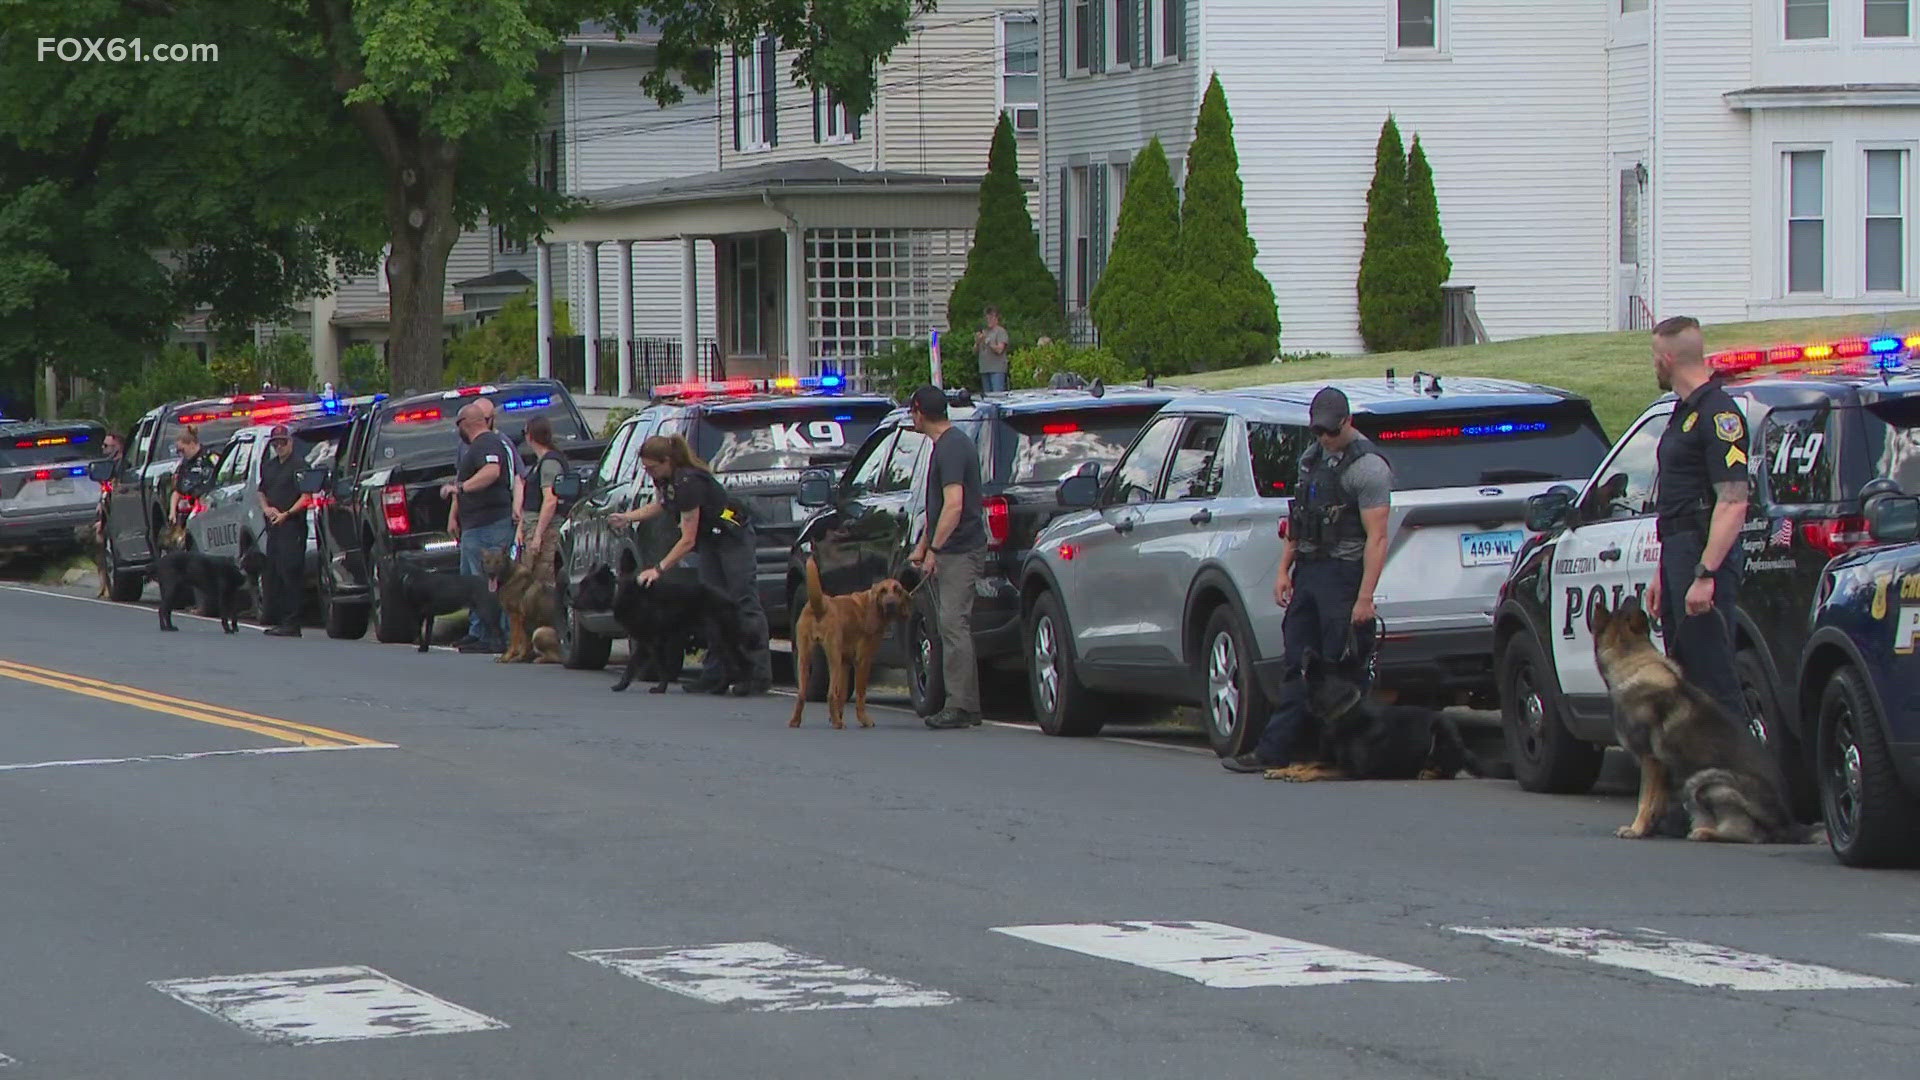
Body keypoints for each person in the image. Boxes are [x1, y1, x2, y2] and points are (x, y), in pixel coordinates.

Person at [1223, 386, 1393, 774]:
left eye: (1331, 431)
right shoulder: (1311, 458)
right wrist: (1285, 569)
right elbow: (1298, 520)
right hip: (1310, 571)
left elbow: (1377, 538)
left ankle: (1345, 754)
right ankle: (1276, 751)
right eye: (1318, 431)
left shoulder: (1368, 468)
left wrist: (1364, 598)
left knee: (1341, 671)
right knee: (1298, 664)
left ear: (1348, 422)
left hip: (1344, 576)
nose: (1325, 439)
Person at [1645, 315, 1750, 724]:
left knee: (1714, 684)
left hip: (1704, 557)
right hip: (1679, 554)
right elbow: (1675, 503)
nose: (1653, 365)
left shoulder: (1718, 414)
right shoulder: (1682, 413)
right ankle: (1699, 781)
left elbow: (1733, 502)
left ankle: (1741, 781)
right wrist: (1662, 573)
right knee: (1685, 681)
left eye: (1655, 356)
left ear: (1668, 358)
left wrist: (1705, 573)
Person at [607, 435, 770, 695]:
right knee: (713, 607)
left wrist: (658, 569)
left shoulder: (689, 482)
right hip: (710, 539)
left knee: (741, 600)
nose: (648, 472)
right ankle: (715, 673)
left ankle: (756, 673)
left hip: (732, 535)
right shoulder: (667, 479)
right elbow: (662, 505)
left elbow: (687, 539)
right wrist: (628, 517)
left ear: (667, 461)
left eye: (652, 467)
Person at [906, 385, 987, 730]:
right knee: (950, 625)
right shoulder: (945, 446)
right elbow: (937, 510)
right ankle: (966, 703)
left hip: (960, 550)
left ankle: (960, 706)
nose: (913, 418)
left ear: (920, 412)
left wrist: (936, 551)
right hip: (947, 548)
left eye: (913, 412)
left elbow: (954, 505)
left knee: (954, 625)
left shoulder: (952, 448)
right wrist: (923, 545)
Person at [441, 402, 516, 654]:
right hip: (473, 526)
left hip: (489, 525)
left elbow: (492, 472)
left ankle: (497, 635)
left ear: (466, 423)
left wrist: (461, 489)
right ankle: (478, 631)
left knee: (488, 582)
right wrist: (455, 514)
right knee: (473, 583)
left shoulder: (487, 444)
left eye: (458, 425)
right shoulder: (474, 448)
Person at [256, 424, 313, 637]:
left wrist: (286, 514)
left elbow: (306, 496)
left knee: (291, 572)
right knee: (275, 572)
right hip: (273, 526)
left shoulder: (300, 465)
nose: (279, 446)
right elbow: (261, 491)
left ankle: (293, 621)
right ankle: (280, 619)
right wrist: (266, 509)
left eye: (282, 442)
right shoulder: (270, 466)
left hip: (292, 526)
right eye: (275, 443)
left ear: (290, 442)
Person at [517, 415, 568, 578]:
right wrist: (520, 528)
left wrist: (538, 535)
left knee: (543, 578)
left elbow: (550, 500)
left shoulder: (549, 463)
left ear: (530, 436)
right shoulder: (540, 463)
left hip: (545, 530)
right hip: (530, 526)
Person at [170, 426, 220, 533]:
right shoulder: (183, 465)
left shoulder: (210, 458)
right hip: (186, 514)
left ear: (192, 444)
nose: (181, 454)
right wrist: (172, 512)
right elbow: (177, 491)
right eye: (178, 451)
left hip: (206, 511)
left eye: (182, 450)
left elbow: (220, 480)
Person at [974, 306, 1011, 394]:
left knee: (997, 395)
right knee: (988, 397)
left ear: (996, 318)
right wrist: (978, 342)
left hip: (996, 369)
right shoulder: (984, 331)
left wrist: (987, 342)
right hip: (984, 369)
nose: (988, 320)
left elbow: (999, 350)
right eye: (987, 318)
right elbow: (975, 351)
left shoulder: (1000, 331)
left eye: (991, 318)